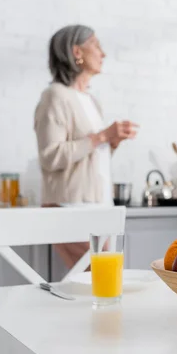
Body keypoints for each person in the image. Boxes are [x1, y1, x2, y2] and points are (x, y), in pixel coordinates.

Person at [34, 24, 138, 269]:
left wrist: (111, 142)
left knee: (102, 286)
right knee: (102, 282)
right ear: (76, 52)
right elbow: (50, 156)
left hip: (99, 207)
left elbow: (89, 157)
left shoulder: (91, 101)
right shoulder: (55, 96)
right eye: (96, 45)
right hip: (71, 209)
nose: (103, 53)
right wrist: (102, 136)